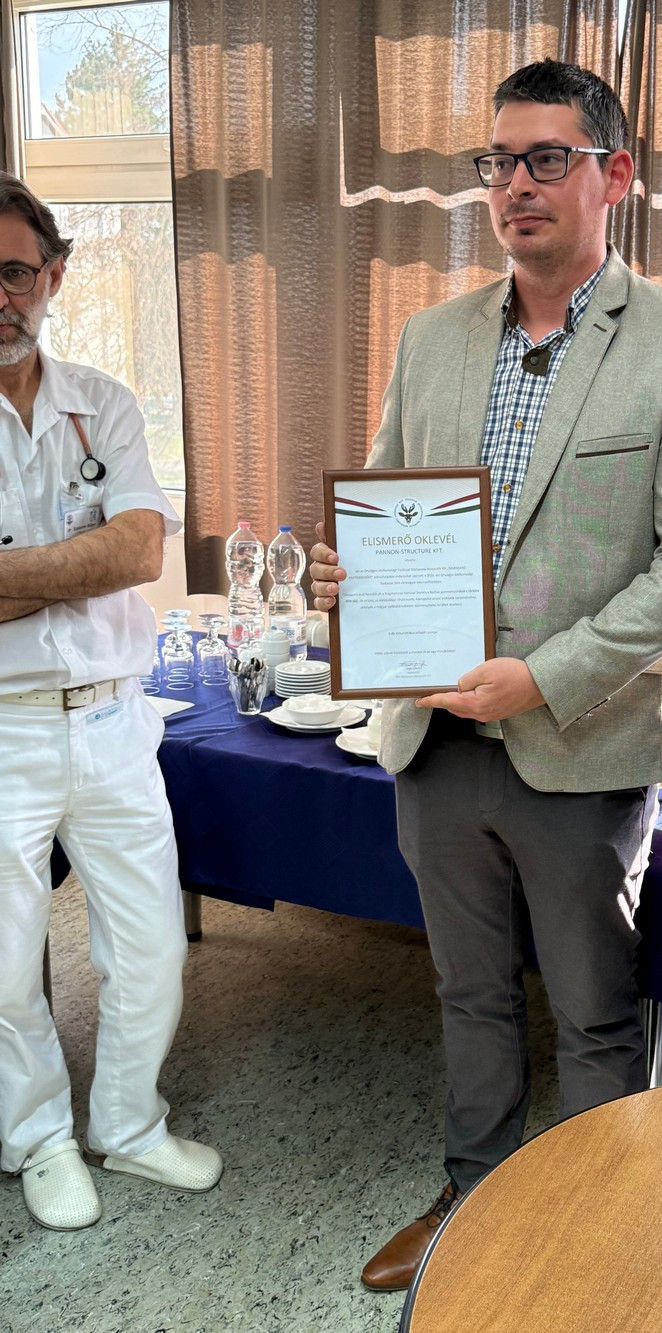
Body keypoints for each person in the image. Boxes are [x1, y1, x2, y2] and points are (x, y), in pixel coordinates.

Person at [311, 60, 662, 1289]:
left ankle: (592, 1231)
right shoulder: (433, 337)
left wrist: (542, 676)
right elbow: (389, 502)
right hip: (435, 741)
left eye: (547, 158)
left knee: (595, 1007)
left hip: (580, 739)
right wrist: (351, 574)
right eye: (498, 162)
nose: (515, 184)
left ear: (615, 175)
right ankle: (472, 1197)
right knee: (466, 991)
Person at [0, 172, 222, 1231]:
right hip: (3, 730)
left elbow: (140, 550)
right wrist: (77, 563)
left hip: (114, 718)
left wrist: (21, 575)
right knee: (6, 965)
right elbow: (110, 550)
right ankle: (39, 1137)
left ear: (53, 275)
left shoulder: (107, 403)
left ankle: (128, 1124)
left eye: (13, 272)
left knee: (150, 947)